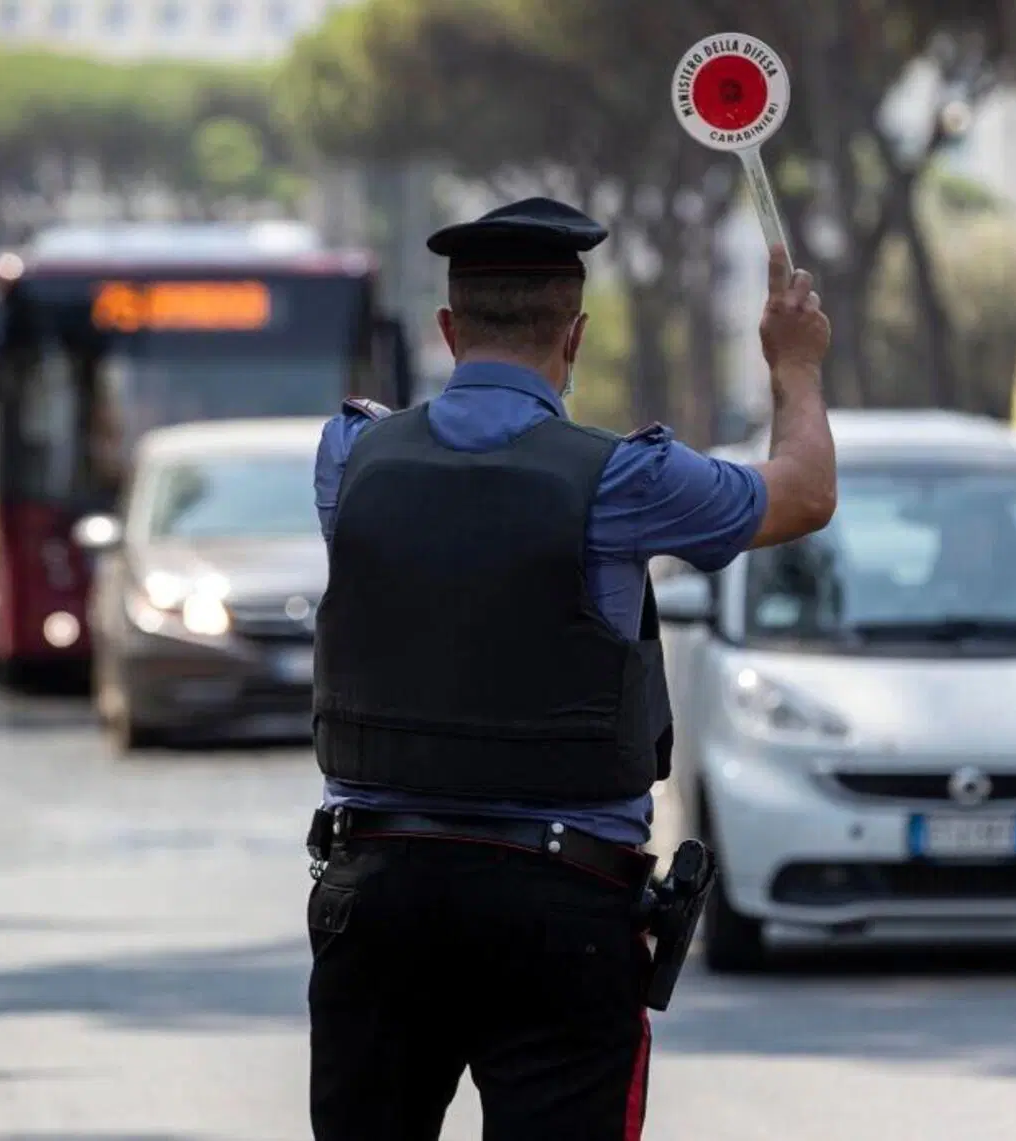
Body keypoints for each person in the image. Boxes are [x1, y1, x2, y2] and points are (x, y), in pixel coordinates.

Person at [305, 197, 836, 1140]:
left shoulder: (350, 458)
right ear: (575, 336)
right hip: (559, 908)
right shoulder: (626, 480)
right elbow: (803, 493)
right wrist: (793, 365)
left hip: (376, 895)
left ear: (448, 329)